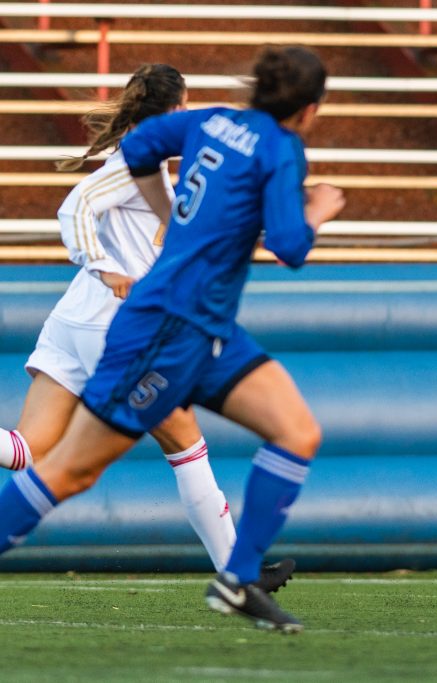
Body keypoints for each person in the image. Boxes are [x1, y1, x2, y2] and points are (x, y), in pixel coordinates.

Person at [0, 46, 344, 633]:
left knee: (297, 431)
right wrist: (318, 211)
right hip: (160, 328)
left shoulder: (208, 120)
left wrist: (170, 213)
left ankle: (237, 579)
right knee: (68, 472)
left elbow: (135, 148)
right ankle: (238, 572)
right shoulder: (282, 149)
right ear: (309, 110)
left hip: (204, 328)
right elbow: (290, 247)